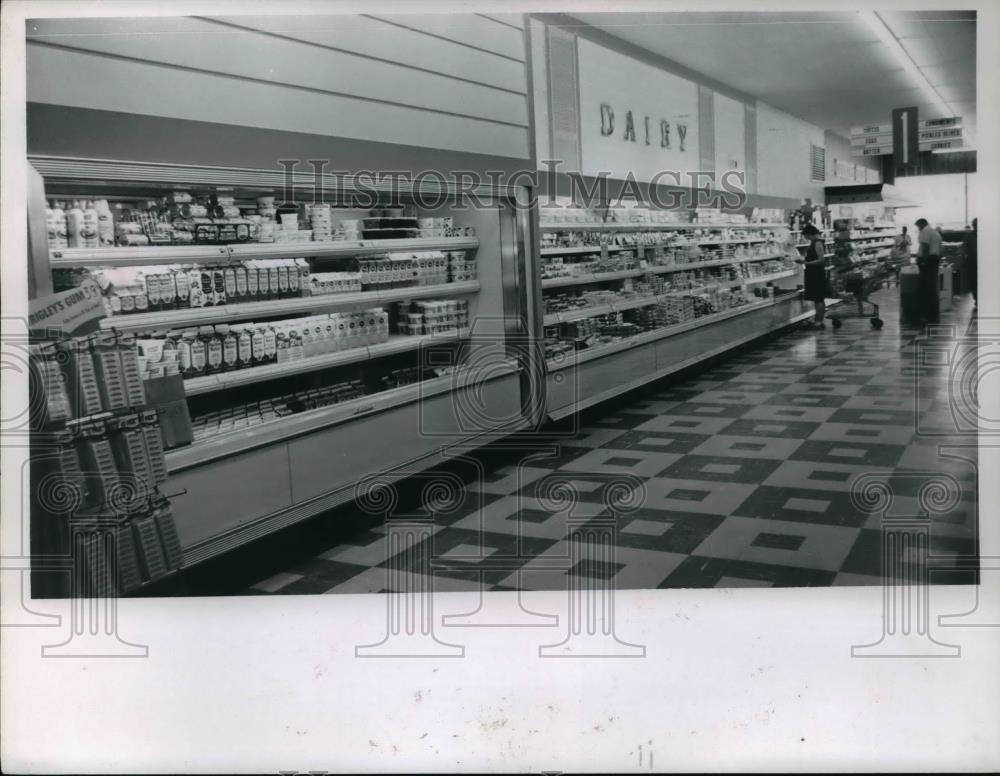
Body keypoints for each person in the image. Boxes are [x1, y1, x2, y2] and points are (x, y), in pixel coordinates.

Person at [799, 223, 831, 328]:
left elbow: (821, 260)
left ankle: (818, 322)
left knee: (818, 299)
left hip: (816, 274)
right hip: (814, 273)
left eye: (806, 236)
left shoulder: (817, 243)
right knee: (818, 299)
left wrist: (806, 263)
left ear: (810, 234)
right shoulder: (815, 242)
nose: (805, 238)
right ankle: (818, 320)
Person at [915, 217, 943, 323]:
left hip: (927, 262)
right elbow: (940, 250)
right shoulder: (935, 233)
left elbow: (925, 247)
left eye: (918, 226)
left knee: (925, 288)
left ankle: (926, 315)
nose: (918, 229)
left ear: (922, 224)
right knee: (932, 287)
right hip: (934, 261)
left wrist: (924, 261)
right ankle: (933, 314)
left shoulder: (925, 232)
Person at [966, 218, 978, 310]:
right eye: (974, 224)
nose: (975, 226)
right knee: (973, 282)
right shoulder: (969, 236)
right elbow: (965, 249)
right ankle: (977, 300)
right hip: (972, 262)